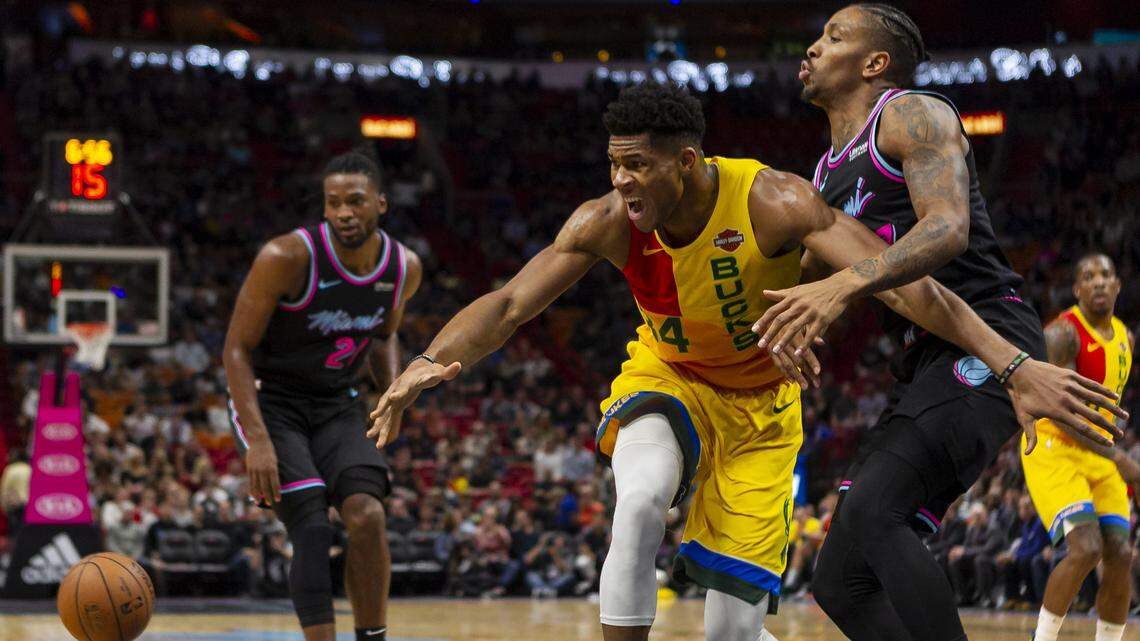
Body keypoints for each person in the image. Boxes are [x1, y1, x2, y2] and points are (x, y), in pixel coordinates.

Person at [365, 82, 1120, 641]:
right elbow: (507, 304)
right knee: (639, 500)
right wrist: (428, 360)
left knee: (731, 629)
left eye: (636, 165)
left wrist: (1012, 364)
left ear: (687, 161)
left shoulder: (773, 200)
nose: (621, 180)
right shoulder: (607, 221)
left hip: (762, 413)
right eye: (614, 164)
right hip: (670, 379)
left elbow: (907, 288)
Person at [751, 5, 1129, 640]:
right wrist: (788, 321)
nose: (812, 48)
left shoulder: (911, 113)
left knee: (876, 512)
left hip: (990, 335)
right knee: (840, 581)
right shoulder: (823, 175)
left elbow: (948, 228)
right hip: (924, 358)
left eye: (833, 37)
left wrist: (843, 282)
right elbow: (818, 292)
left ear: (874, 63)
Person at [223, 151, 422, 641]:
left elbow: (383, 336)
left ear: (380, 203)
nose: (343, 213)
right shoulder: (285, 257)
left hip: (336, 402)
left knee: (368, 515)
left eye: (355, 201)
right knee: (311, 525)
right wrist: (259, 441)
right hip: (272, 403)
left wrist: (392, 394)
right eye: (333, 203)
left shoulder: (403, 267)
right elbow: (236, 350)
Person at [1022, 254, 1136, 641]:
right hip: (1054, 444)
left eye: (1105, 275)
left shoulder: (1126, 338)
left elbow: (1113, 407)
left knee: (1120, 553)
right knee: (1086, 548)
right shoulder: (1061, 334)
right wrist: (1120, 457)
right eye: (1088, 276)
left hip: (1097, 450)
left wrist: (1116, 443)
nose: (1098, 282)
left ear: (1117, 285)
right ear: (1077, 290)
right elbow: (1065, 413)